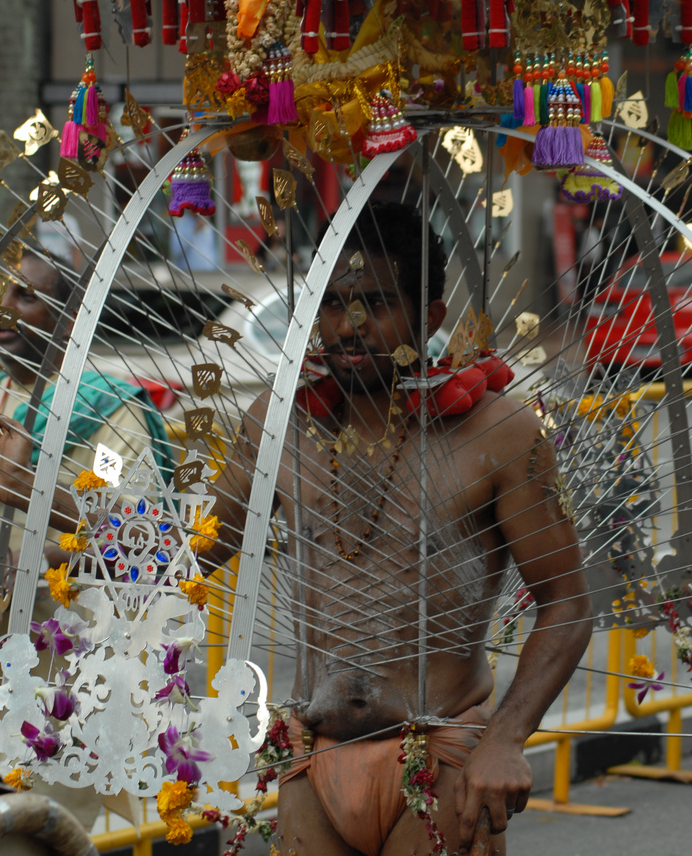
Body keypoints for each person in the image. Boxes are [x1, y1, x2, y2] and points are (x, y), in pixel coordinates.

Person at [203, 202, 593, 856]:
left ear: (430, 316)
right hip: (310, 760)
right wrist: (78, 514)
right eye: (331, 304)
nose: (347, 327)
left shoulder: (498, 432)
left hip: (441, 761)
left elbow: (567, 603)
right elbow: (201, 546)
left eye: (375, 304)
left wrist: (504, 739)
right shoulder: (276, 423)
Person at [0, 247, 174, 829]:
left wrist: (13, 562)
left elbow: (137, 537)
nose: (1, 310)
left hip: (65, 673)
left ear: (73, 312)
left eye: (24, 295)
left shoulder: (108, 414)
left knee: (58, 829)